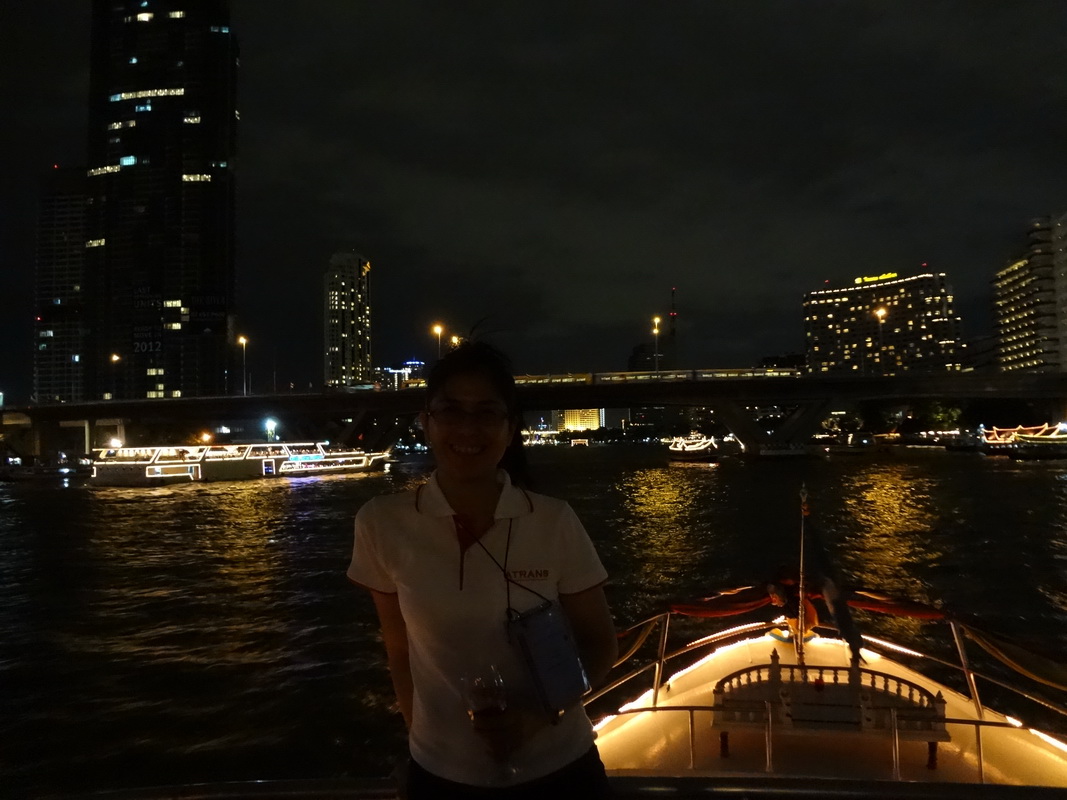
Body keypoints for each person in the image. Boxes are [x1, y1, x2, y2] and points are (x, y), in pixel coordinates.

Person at [347, 340, 618, 799]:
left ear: (510, 430)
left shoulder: (553, 520)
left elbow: (599, 642)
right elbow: (399, 652)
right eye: (450, 410)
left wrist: (538, 716)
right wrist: (421, 748)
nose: (468, 428)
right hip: (440, 775)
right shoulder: (381, 523)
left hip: (560, 766)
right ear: (426, 422)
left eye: (487, 412)